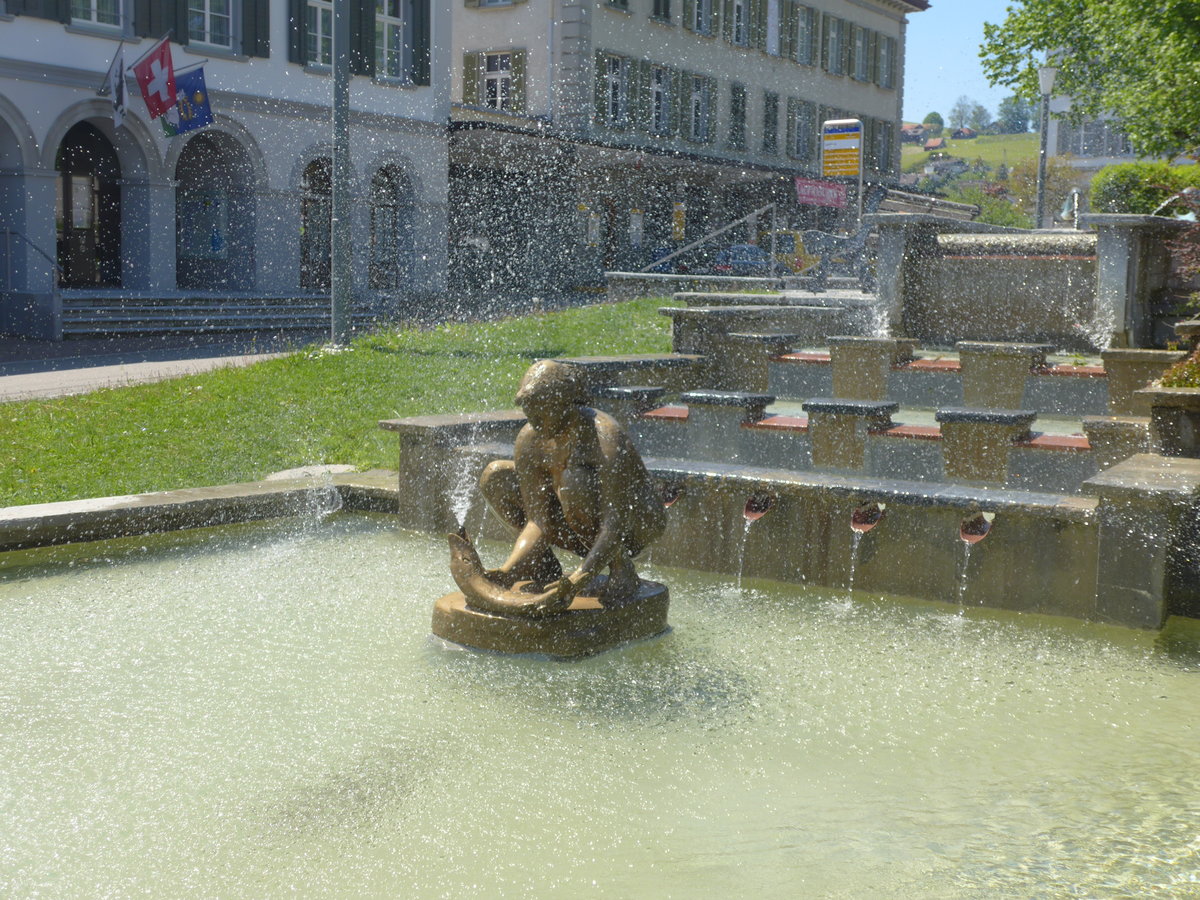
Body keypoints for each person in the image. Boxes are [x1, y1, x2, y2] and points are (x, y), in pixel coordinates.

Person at [477, 359, 665, 608]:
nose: (534, 421)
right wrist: (507, 571)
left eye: (542, 411)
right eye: (529, 411)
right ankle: (542, 566)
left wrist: (581, 576)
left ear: (565, 402)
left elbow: (615, 521)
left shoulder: (604, 436)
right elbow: (538, 520)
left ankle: (621, 569)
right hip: (583, 518)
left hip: (637, 523)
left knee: (574, 481)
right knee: (496, 476)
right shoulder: (530, 439)